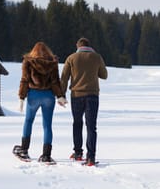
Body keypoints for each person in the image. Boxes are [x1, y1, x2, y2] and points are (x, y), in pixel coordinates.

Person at [13, 42, 67, 164]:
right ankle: (46, 155)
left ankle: (24, 150)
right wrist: (60, 96)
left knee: (28, 121)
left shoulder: (28, 61)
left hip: (34, 95)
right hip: (48, 96)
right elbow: (55, 81)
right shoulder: (52, 62)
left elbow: (25, 80)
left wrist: (21, 98)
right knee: (47, 125)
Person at [60, 37, 108, 166]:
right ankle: (91, 157)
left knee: (77, 123)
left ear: (78, 46)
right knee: (91, 127)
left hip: (76, 95)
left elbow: (64, 78)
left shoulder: (71, 58)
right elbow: (104, 75)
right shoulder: (97, 57)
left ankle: (78, 153)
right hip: (92, 95)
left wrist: (61, 95)